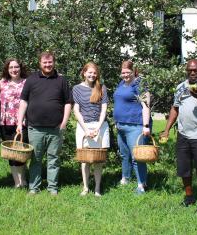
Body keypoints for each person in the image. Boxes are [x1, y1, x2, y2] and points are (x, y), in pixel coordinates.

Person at [160, 59, 197, 213]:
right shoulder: (180, 87)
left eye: (196, 70)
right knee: (184, 169)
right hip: (183, 134)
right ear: (186, 70)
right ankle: (189, 196)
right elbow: (175, 108)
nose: (193, 72)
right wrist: (166, 129)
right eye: (190, 70)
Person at [17, 51, 72, 195]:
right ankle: (33, 188)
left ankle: (52, 188)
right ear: (40, 63)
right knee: (35, 159)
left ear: (54, 63)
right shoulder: (31, 79)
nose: (48, 65)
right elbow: (23, 101)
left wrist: (64, 122)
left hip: (56, 128)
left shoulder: (61, 80)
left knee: (53, 159)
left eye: (50, 62)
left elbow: (68, 103)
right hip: (35, 127)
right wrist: (19, 122)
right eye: (45, 62)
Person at [113, 60, 151, 195]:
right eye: (123, 72)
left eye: (128, 72)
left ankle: (142, 184)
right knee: (124, 155)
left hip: (135, 126)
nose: (125, 75)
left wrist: (146, 126)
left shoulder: (140, 84)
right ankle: (126, 179)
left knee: (137, 157)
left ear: (134, 71)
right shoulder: (121, 84)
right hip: (121, 126)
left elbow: (146, 106)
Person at [73, 62, 109, 197]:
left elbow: (104, 109)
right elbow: (76, 110)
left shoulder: (102, 88)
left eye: (94, 73)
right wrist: (86, 129)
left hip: (100, 127)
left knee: (98, 160)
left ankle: (98, 188)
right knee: (84, 159)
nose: (92, 75)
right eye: (90, 72)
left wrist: (98, 128)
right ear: (84, 73)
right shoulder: (76, 88)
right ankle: (86, 187)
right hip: (83, 127)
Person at [0, 58, 29, 188]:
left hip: (22, 122)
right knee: (11, 153)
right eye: (11, 67)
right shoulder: (1, 83)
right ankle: (17, 182)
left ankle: (24, 180)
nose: (14, 70)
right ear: (7, 69)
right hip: (5, 123)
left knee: (21, 152)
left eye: (16, 67)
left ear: (20, 68)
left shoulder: (27, 82)